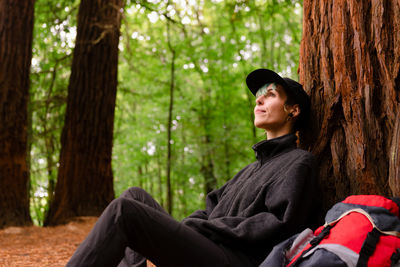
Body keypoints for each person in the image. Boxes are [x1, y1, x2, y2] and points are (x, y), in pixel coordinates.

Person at [66, 69, 319, 267]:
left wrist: (205, 229)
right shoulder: (249, 170)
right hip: (207, 250)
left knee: (125, 211)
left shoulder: (299, 163)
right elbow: (210, 209)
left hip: (235, 261)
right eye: (258, 96)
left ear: (293, 110)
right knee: (134, 196)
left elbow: (279, 226)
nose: (259, 99)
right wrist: (190, 226)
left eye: (271, 95)